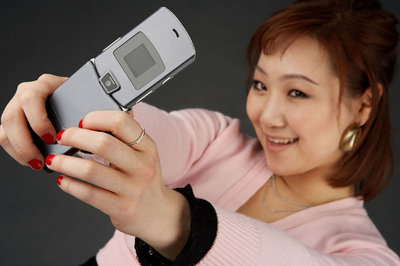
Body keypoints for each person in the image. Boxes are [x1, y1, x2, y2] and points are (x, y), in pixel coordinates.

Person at [1, 0, 399, 265]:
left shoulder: (364, 254)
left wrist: (168, 218)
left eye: (297, 92)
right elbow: (145, 134)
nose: (268, 115)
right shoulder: (214, 138)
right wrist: (61, 106)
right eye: (260, 85)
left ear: (364, 105)